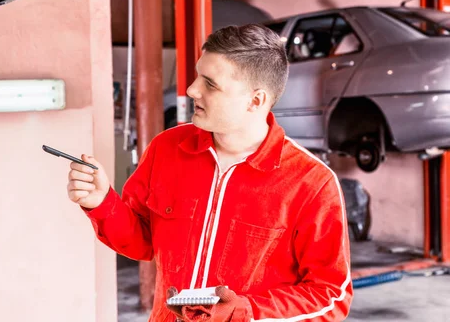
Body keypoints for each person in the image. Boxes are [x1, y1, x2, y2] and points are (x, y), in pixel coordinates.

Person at [66, 24, 353, 321]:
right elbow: (142, 242)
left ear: (256, 100)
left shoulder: (311, 182)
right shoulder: (167, 149)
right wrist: (103, 203)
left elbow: (330, 295)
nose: (191, 90)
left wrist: (246, 312)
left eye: (210, 84)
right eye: (196, 76)